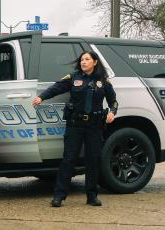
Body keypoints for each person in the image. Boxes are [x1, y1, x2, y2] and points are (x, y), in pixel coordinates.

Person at [32, 51, 118, 207]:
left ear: (95, 62)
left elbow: (113, 101)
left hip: (94, 126)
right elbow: (56, 88)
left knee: (93, 160)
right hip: (75, 125)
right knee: (69, 159)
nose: (83, 62)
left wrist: (112, 112)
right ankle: (59, 195)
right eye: (82, 60)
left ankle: (92, 196)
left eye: (87, 59)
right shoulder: (73, 78)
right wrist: (41, 97)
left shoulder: (103, 81)